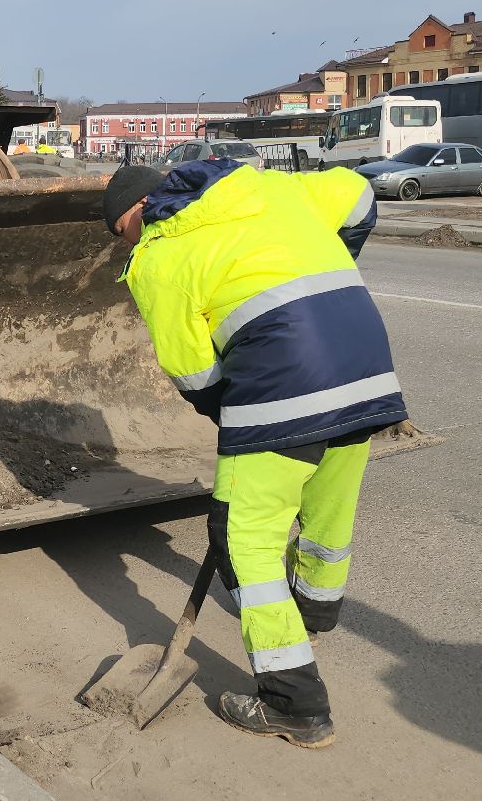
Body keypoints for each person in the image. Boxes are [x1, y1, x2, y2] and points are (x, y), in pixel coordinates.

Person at [101, 156, 404, 749]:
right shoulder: (262, 189)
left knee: (242, 537)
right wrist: (330, 275)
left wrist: (233, 417)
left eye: (120, 235)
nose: (124, 246)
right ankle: (312, 616)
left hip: (283, 383)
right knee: (327, 505)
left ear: (135, 215)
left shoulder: (158, 259)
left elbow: (193, 372)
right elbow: (357, 194)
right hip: (366, 362)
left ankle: (294, 704)